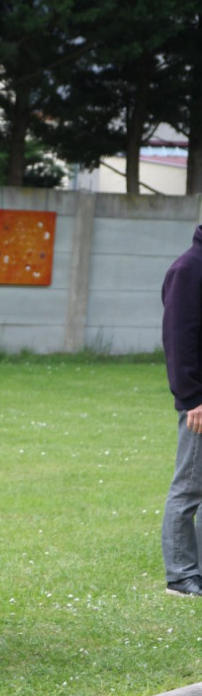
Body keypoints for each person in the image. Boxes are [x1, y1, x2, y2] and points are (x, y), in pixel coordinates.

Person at [161, 224, 202, 596]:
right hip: (199, 403)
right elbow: (178, 340)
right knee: (189, 487)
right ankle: (181, 575)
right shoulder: (188, 269)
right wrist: (192, 398)